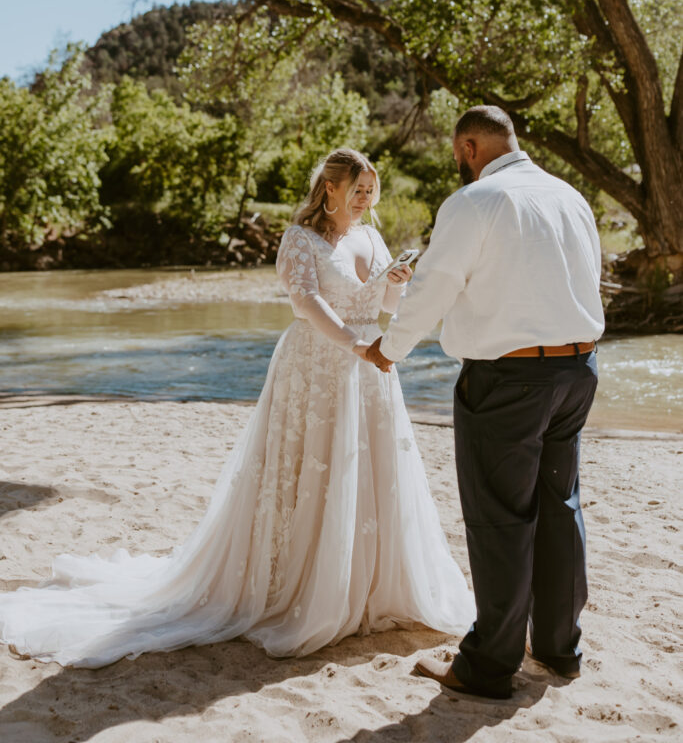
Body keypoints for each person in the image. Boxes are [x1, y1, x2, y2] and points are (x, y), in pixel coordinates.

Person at [0, 147, 474, 668]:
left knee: (369, 472)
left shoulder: (370, 235)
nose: (366, 199)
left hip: (369, 370)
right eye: (358, 189)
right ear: (330, 188)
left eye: (371, 190)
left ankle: (367, 588)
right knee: (306, 471)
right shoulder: (300, 239)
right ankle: (299, 587)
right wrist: (355, 345)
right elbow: (305, 302)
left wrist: (394, 286)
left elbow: (384, 308)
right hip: (317, 364)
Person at [366, 106, 605, 699]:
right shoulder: (568, 195)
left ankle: (490, 665)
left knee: (500, 518)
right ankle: (558, 647)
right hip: (579, 369)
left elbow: (434, 287)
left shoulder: (476, 201)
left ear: (469, 147)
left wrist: (389, 348)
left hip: (510, 380)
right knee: (559, 504)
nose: (461, 168)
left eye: (458, 157)